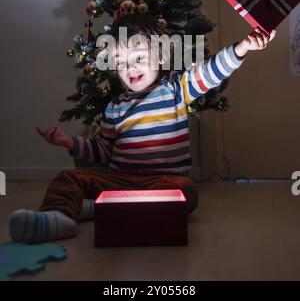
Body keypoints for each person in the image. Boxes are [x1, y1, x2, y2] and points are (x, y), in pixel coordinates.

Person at [9, 13, 276, 243]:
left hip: (162, 183)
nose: (129, 68)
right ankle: (58, 218)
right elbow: (102, 151)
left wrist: (243, 47)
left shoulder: (176, 89)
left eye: (138, 57)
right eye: (121, 62)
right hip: (120, 181)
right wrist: (69, 143)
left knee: (187, 191)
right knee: (68, 179)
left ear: (160, 55)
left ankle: (95, 208)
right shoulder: (115, 106)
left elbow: (211, 71)